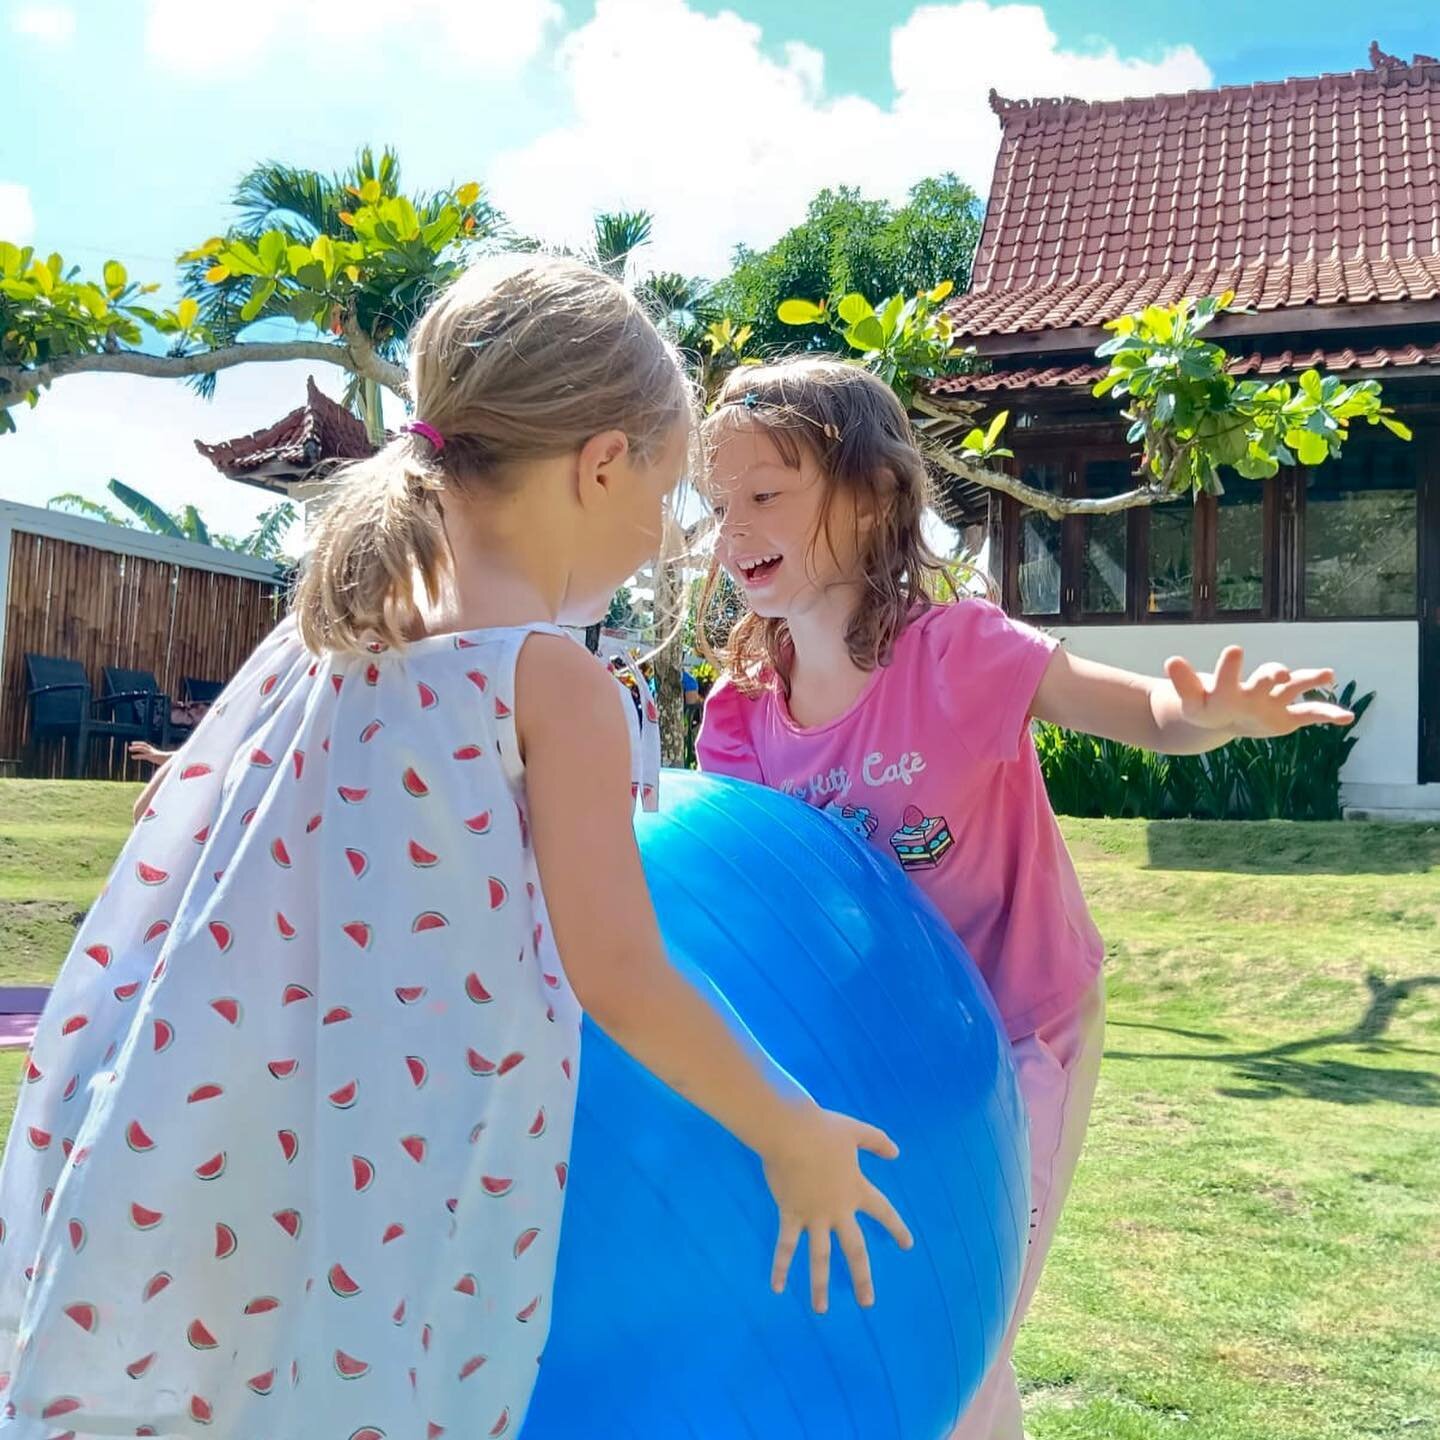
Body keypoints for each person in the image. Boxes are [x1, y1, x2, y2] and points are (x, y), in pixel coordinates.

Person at [0, 262, 911, 1440]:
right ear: (601, 465)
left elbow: (170, 821)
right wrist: (791, 1131)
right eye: (672, 484)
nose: (670, 529)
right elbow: (623, 975)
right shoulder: (551, 681)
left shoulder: (320, 637)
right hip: (382, 1171)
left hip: (195, 1130)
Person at [694, 357, 1354, 1440]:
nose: (733, 529)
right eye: (720, 503)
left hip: (1023, 1028)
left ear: (872, 498)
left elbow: (1139, 711)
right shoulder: (743, 711)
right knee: (892, 1317)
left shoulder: (960, 651)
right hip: (882, 1048)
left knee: (968, 1322)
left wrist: (1209, 714)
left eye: (766, 495)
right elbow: (752, 906)